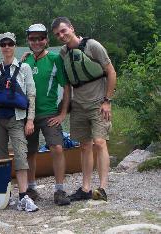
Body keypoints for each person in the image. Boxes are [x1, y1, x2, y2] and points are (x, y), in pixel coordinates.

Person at [51, 17, 117, 201]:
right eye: (58, 34)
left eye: (64, 31)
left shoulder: (93, 46)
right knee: (84, 146)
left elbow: (111, 72)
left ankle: (102, 188)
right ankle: (86, 188)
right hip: (79, 104)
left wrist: (107, 101)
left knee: (100, 142)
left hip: (98, 102)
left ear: (72, 28)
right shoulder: (63, 53)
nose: (62, 35)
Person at [0, 32, 38, 212]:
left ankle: (23, 196)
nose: (6, 47)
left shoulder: (24, 69)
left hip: (17, 118)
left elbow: (31, 94)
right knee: (0, 158)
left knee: (21, 156)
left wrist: (30, 119)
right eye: (3, 44)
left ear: (14, 46)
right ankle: (4, 195)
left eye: (10, 44)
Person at [23, 24, 71, 206]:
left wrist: (63, 113)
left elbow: (66, 87)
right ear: (28, 41)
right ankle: (31, 188)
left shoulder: (54, 58)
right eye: (32, 39)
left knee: (57, 148)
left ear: (46, 40)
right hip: (28, 115)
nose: (36, 42)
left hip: (49, 112)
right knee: (30, 152)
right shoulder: (25, 60)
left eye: (40, 38)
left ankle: (59, 190)